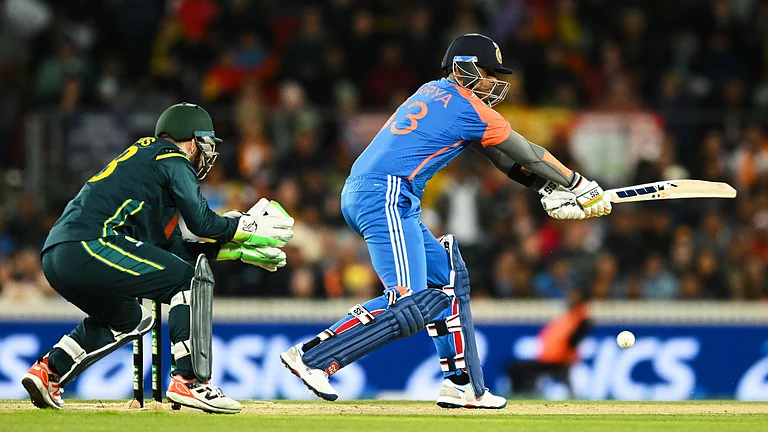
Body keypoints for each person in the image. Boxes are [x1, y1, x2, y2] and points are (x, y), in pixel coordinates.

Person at [280, 33, 611, 408]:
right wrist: (577, 183)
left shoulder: (435, 93)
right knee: (407, 301)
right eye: (487, 73)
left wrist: (545, 188)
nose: (493, 83)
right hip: (385, 194)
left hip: (385, 195)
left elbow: (502, 159)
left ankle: (463, 385)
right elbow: (528, 152)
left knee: (448, 281)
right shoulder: (466, 106)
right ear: (463, 68)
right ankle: (312, 358)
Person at [21, 103, 294, 414]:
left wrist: (240, 251)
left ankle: (48, 372)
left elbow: (172, 251)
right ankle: (188, 380)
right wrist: (245, 226)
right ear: (193, 141)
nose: (205, 156)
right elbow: (203, 224)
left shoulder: (145, 166)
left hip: (59, 253)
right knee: (188, 279)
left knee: (131, 318)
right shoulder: (172, 157)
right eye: (204, 145)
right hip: (90, 243)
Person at [507, 288, 592, 397]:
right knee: (515, 367)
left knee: (515, 368)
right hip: (550, 359)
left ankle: (519, 395)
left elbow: (574, 341)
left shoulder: (581, 319)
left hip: (558, 361)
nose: (571, 297)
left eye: (575, 295)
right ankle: (524, 393)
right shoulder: (570, 316)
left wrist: (567, 357)